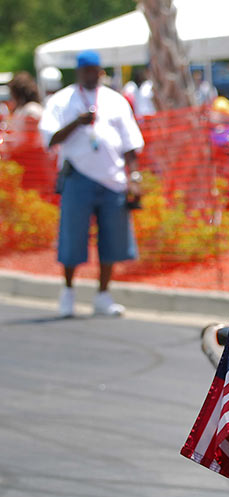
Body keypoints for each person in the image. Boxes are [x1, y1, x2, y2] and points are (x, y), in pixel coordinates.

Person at [38, 50, 145, 318]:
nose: (92, 75)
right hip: (78, 177)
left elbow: (131, 143)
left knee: (113, 239)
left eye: (95, 70)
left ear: (100, 71)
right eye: (86, 70)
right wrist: (77, 122)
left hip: (113, 179)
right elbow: (50, 139)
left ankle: (103, 294)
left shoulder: (115, 100)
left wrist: (134, 177)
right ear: (78, 72)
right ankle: (68, 292)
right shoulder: (62, 101)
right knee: (72, 237)